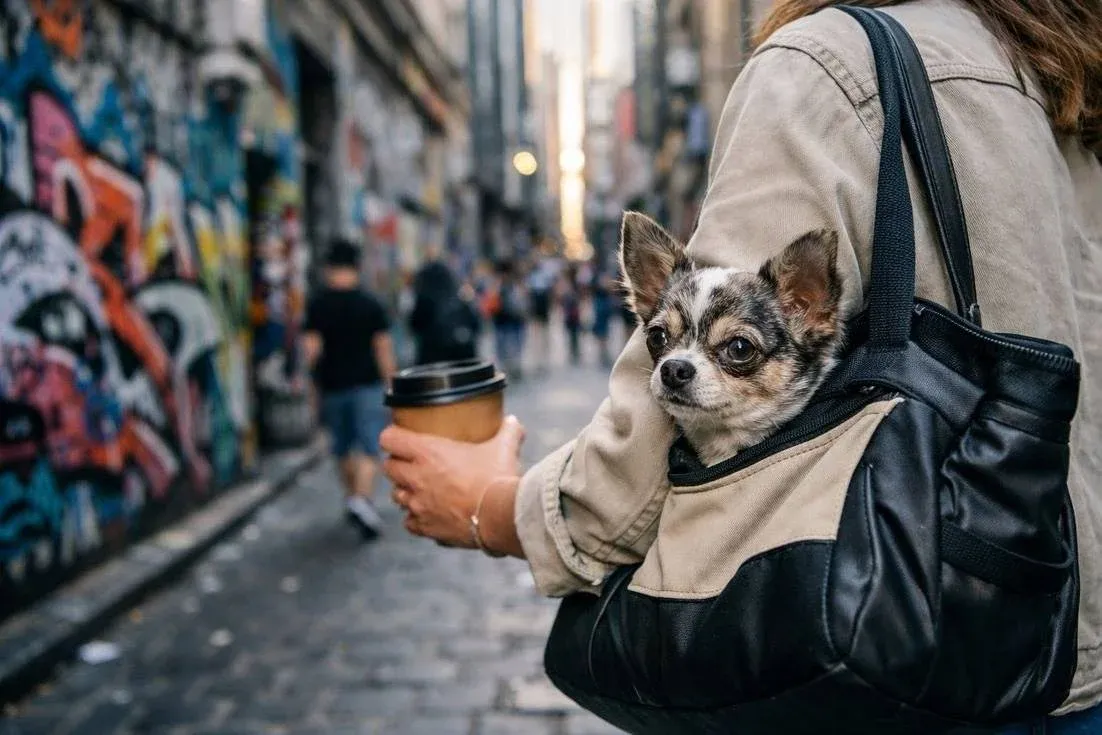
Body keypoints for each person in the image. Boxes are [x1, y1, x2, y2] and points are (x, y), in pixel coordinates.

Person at [379, 0, 1102, 730]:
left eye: (734, 350)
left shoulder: (829, 63)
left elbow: (638, 464)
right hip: (1066, 647)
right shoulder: (1061, 77)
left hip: (909, 658)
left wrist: (491, 508)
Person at [302, 238, 396, 540]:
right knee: (370, 447)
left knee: (342, 448)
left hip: (333, 387)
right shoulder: (371, 304)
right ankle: (361, 499)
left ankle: (353, 499)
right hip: (367, 385)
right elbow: (383, 350)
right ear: (357, 267)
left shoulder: (318, 304)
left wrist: (308, 386)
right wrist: (392, 386)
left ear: (329, 267)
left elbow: (310, 351)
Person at [409, 260, 481, 365]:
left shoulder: (424, 300)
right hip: (463, 358)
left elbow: (414, 325)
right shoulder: (459, 298)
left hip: (432, 359)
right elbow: (475, 324)